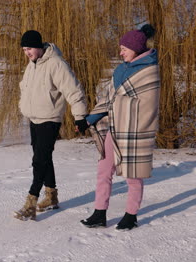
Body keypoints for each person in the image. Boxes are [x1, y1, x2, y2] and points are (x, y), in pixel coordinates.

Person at [80, 24, 160, 230]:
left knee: (133, 175)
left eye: (124, 48)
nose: (120, 51)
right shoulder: (120, 69)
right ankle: (99, 213)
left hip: (135, 131)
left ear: (136, 49)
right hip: (114, 129)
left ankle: (131, 215)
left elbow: (147, 106)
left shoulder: (150, 72)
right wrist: (89, 119)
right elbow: (109, 98)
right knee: (103, 170)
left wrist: (120, 105)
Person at [14, 30, 88, 221]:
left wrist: (80, 116)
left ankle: (31, 202)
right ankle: (51, 197)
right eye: (24, 49)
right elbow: (25, 87)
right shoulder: (32, 64)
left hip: (50, 118)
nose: (27, 53)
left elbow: (74, 90)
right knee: (42, 157)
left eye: (29, 48)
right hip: (35, 118)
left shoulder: (56, 63)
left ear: (38, 46)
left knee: (39, 160)